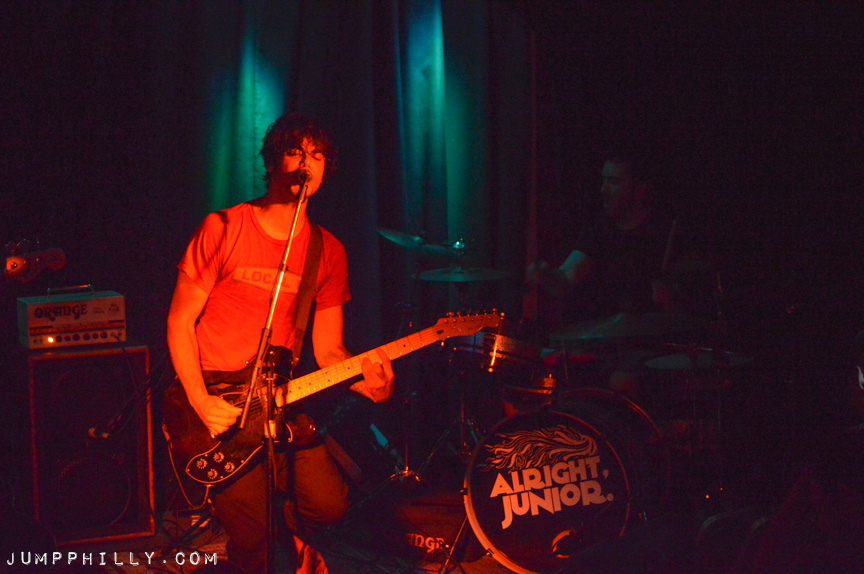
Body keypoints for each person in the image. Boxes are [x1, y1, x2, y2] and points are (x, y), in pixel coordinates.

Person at [166, 113, 395, 573]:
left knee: (329, 507)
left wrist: (368, 382)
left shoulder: (327, 251)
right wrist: (201, 400)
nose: (306, 164)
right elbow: (179, 321)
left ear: (327, 169)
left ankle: (284, 534)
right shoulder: (223, 227)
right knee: (254, 541)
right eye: (295, 152)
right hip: (218, 399)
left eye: (317, 156)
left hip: (279, 398)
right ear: (272, 163)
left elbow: (329, 351)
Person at [526, 144, 705, 398]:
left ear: (639, 190)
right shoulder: (600, 229)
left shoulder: (668, 233)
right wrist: (546, 276)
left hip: (653, 348)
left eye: (613, 182)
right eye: (603, 180)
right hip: (606, 344)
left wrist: (671, 300)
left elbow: (693, 314)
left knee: (623, 381)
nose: (603, 190)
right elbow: (566, 278)